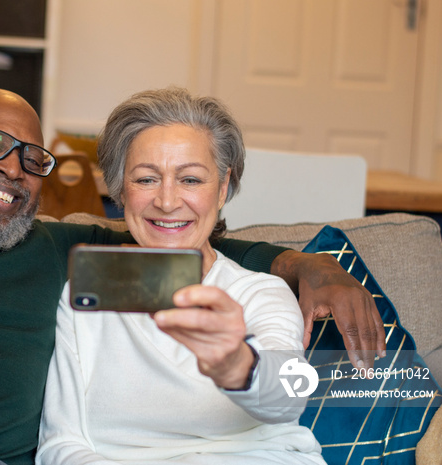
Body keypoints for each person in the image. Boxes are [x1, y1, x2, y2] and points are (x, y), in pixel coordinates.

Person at [0, 88, 381, 465]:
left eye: (32, 157)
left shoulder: (68, 252)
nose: (13, 170)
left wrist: (305, 268)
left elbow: (185, 246)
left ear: (224, 188)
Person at [36, 87, 327, 464]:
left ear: (222, 188)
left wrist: (238, 364)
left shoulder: (260, 293)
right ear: (119, 189)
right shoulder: (86, 294)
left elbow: (289, 396)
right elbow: (61, 447)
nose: (168, 201)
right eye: (145, 179)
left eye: (190, 180)